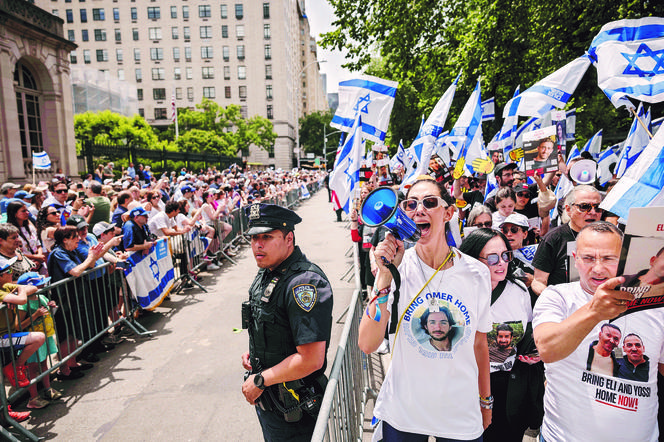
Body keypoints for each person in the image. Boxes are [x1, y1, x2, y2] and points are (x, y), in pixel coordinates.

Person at [359, 176, 492, 440]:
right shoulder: (396, 268)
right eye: (411, 205)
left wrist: (486, 400)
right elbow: (367, 343)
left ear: (448, 213)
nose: (419, 209)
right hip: (404, 415)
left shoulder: (477, 273)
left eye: (430, 202)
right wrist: (385, 276)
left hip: (459, 414)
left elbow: (479, 344)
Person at [533, 221, 664, 442]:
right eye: (588, 258)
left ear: (624, 258)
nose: (598, 268)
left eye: (608, 258)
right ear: (575, 258)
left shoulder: (655, 305)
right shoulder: (558, 296)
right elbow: (547, 349)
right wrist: (595, 311)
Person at [240, 203, 333, 441]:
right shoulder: (270, 270)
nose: (257, 245)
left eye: (267, 237)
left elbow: (311, 359)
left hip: (295, 410)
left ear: (288, 238)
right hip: (273, 404)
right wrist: (258, 353)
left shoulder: (304, 283)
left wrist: (260, 380)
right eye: (253, 238)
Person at [459, 228, 543, 442]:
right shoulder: (457, 293)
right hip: (468, 387)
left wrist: (535, 351)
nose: (501, 263)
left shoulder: (520, 291)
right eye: (493, 257)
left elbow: (530, 330)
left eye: (506, 255)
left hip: (510, 389)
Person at [531, 185, 602, 296]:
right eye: (584, 206)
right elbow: (538, 281)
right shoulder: (553, 239)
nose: (593, 212)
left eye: (597, 207)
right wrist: (557, 301)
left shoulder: (609, 237)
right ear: (568, 209)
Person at [15, 272, 63, 409]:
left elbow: (47, 314)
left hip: (45, 336)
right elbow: (19, 325)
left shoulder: (41, 296)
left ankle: (48, 389)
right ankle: (33, 397)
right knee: (32, 368)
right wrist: (36, 315)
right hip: (32, 340)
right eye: (38, 284)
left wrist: (51, 307)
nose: (42, 285)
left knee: (44, 363)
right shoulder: (23, 304)